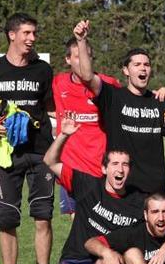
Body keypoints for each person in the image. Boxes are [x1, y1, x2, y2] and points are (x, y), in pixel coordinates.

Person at [0, 12, 56, 264]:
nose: (32, 38)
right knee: (8, 221)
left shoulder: (43, 70)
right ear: (12, 34)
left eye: (34, 33)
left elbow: (51, 107)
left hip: (40, 153)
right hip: (7, 154)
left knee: (42, 218)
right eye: (26, 33)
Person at [43, 113, 147, 264]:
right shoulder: (87, 185)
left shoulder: (138, 201)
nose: (120, 169)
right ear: (103, 168)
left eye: (125, 165)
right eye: (115, 164)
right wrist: (63, 134)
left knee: (111, 261)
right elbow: (50, 161)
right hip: (77, 258)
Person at [71, 19, 165, 194]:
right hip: (122, 185)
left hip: (154, 187)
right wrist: (81, 41)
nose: (143, 69)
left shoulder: (159, 101)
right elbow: (87, 76)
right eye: (137, 65)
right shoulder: (113, 96)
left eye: (146, 65)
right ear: (126, 70)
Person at [52, 37, 121, 215]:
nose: (83, 61)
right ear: (67, 59)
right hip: (72, 170)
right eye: (77, 56)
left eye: (88, 56)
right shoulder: (58, 83)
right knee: (79, 228)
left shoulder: (108, 84)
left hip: (103, 170)